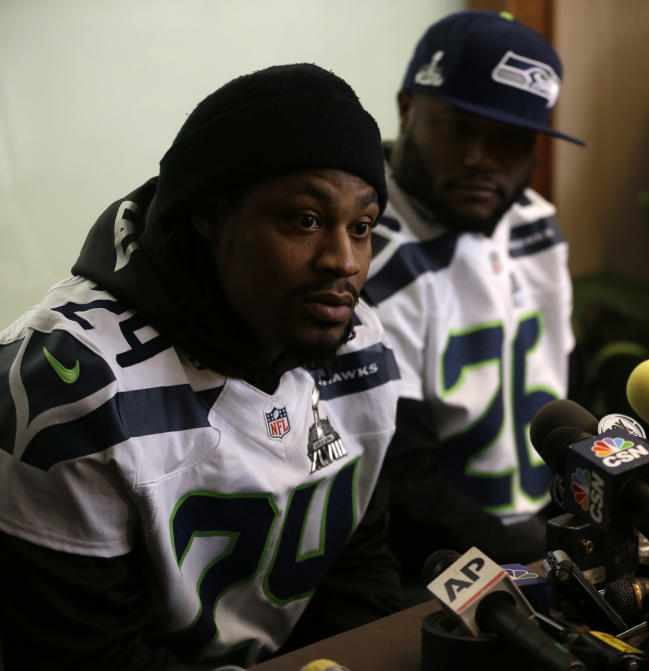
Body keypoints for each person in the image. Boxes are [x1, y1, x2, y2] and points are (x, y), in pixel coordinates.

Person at [0, 63, 404, 670]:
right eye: (307, 220)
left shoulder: (357, 340)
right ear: (210, 215)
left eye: (363, 226)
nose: (343, 260)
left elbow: (360, 565)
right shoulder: (64, 384)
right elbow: (85, 655)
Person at [363, 10, 584, 588]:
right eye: (460, 128)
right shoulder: (362, 251)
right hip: (429, 568)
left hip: (537, 534)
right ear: (408, 108)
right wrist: (542, 549)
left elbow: (568, 384)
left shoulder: (535, 221)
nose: (482, 158)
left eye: (511, 138)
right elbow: (401, 482)